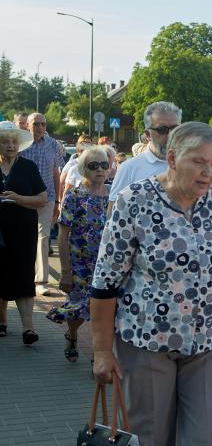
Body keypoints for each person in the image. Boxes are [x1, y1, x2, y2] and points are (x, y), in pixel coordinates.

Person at [90, 122, 212, 446]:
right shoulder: (134, 200)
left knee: (209, 435)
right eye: (199, 162)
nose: (208, 172)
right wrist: (102, 351)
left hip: (208, 340)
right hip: (147, 341)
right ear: (173, 159)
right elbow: (105, 282)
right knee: (151, 436)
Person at [47, 145, 110, 362]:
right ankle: (72, 335)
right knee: (77, 310)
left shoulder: (113, 195)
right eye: (94, 166)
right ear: (84, 169)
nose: (100, 170)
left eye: (104, 165)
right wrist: (65, 271)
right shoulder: (75, 195)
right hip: (80, 264)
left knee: (103, 310)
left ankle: (98, 353)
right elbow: (63, 235)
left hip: (106, 265)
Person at [0, 121, 47, 342]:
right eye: (5, 142)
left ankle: (28, 328)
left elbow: (42, 199)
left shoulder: (28, 166)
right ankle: (2, 322)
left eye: (13, 142)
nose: (10, 146)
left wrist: (18, 199)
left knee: (24, 275)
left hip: (23, 229)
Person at [19, 112, 65, 297]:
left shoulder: (52, 144)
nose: (40, 127)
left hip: (46, 197)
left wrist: (56, 201)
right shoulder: (21, 144)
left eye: (43, 124)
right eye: (36, 124)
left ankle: (41, 280)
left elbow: (56, 172)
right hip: (24, 198)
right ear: (28, 125)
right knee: (24, 237)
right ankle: (23, 276)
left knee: (43, 237)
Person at [109, 101, 181, 214]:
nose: (170, 135)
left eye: (175, 129)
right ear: (148, 135)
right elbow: (113, 214)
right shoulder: (129, 168)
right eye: (162, 130)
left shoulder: (190, 165)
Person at [60, 134, 92, 200]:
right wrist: (60, 202)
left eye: (89, 144)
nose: (87, 146)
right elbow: (62, 185)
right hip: (75, 203)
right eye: (84, 143)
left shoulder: (94, 165)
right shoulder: (72, 165)